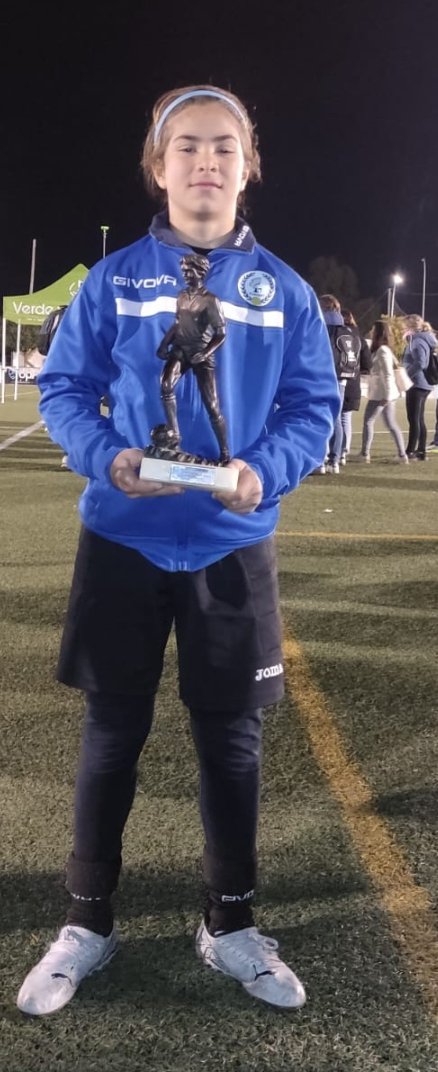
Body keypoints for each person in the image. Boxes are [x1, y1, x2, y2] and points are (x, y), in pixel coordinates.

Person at [17, 83, 339, 1017]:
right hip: (125, 539)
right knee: (112, 732)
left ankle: (230, 923)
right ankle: (87, 921)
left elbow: (311, 409)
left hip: (231, 545)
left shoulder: (283, 291)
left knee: (232, 742)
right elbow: (66, 392)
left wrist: (261, 472)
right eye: (188, 146)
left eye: (225, 148)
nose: (207, 161)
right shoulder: (114, 280)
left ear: (249, 167)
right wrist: (107, 457)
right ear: (158, 168)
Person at [319, 294, 360, 473]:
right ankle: (334, 460)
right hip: (342, 377)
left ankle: (320, 460)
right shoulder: (347, 329)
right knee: (336, 418)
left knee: (320, 417)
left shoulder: (322, 326)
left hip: (324, 376)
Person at [358, 321, 408, 463]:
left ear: (379, 333)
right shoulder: (384, 349)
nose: (371, 332)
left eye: (373, 330)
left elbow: (387, 374)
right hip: (385, 393)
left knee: (368, 421)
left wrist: (386, 395)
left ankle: (365, 453)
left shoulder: (383, 351)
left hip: (382, 394)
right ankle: (402, 455)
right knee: (391, 423)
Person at [402, 314, 437, 460]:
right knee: (419, 418)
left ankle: (410, 451)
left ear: (410, 327)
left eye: (404, 326)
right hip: (424, 384)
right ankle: (421, 451)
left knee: (414, 419)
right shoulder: (425, 338)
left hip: (417, 384)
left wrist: (406, 375)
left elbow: (420, 362)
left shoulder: (417, 340)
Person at [339, 309, 371, 465]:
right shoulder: (359, 338)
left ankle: (333, 453)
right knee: (346, 418)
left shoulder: (334, 334)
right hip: (353, 382)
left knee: (335, 418)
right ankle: (344, 451)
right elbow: (368, 364)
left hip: (338, 379)